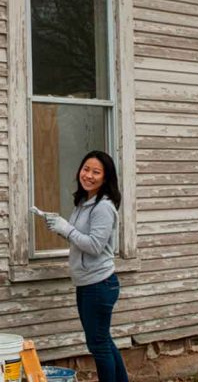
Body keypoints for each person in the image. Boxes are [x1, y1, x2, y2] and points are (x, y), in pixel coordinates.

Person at [44, 150, 127, 382]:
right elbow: (78, 238)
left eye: (96, 172)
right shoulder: (84, 202)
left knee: (98, 345)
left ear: (105, 177)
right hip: (86, 283)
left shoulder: (103, 206)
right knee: (102, 341)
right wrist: (58, 226)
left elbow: (94, 246)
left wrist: (66, 228)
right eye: (86, 169)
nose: (88, 175)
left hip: (100, 284)